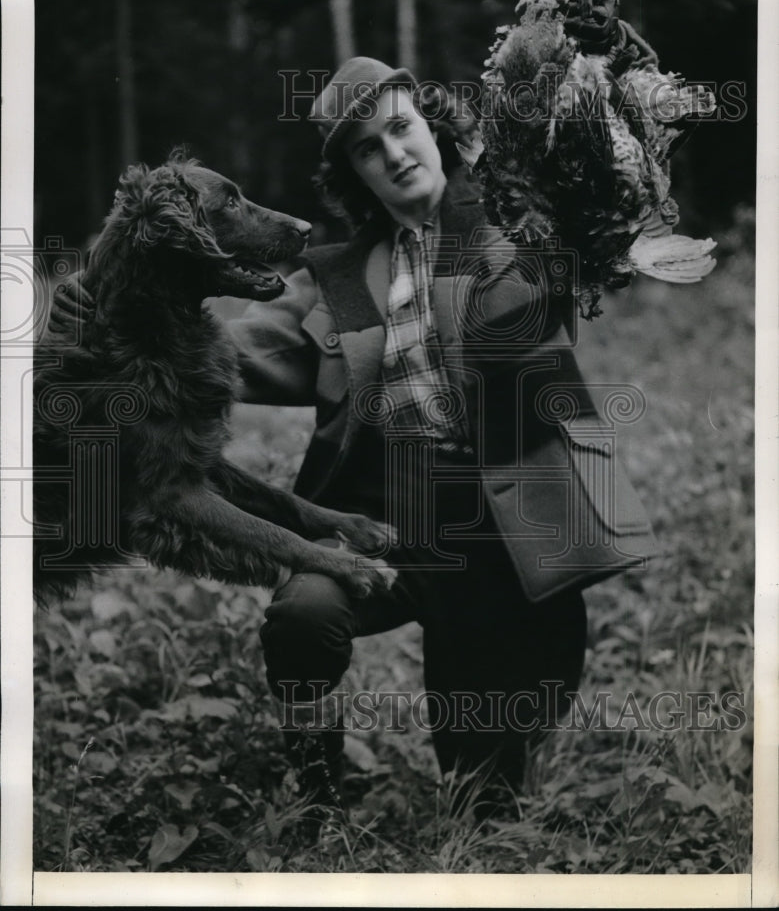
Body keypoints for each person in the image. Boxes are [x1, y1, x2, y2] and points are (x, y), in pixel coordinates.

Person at [47, 56, 657, 812]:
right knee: (302, 614)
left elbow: (607, 190)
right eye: (368, 147)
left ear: (435, 131)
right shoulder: (330, 279)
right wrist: (104, 318)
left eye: (401, 128)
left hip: (506, 527)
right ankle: (315, 794)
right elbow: (218, 352)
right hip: (374, 517)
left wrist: (593, 79)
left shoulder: (524, 232)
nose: (393, 153)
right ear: (354, 172)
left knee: (484, 793)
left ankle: (493, 770)